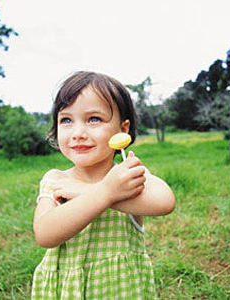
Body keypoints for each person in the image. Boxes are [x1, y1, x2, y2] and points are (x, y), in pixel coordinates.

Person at [31, 71, 175, 299]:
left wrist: (105, 191)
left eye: (94, 119)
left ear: (123, 129)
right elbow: (45, 234)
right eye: (66, 120)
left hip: (121, 289)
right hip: (68, 290)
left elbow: (165, 202)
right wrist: (104, 193)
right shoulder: (56, 180)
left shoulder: (127, 175)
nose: (78, 133)